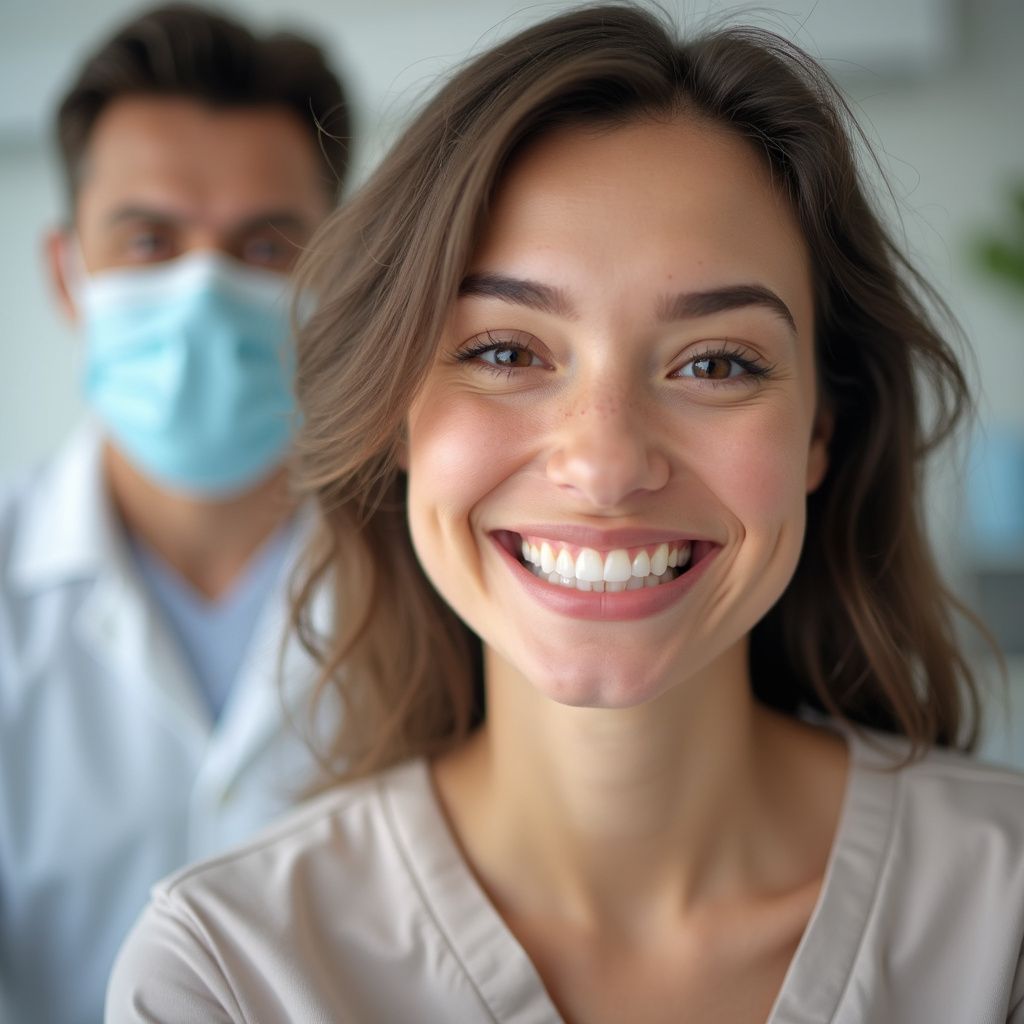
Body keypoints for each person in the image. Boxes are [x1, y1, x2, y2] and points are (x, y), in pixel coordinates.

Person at [107, 5, 1024, 1023]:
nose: (604, 462)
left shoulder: (1003, 924)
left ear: (820, 429)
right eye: (505, 352)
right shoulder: (230, 972)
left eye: (715, 363)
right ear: (398, 415)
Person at [0, 6, 350, 1022]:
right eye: (149, 240)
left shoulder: (449, 576)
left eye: (265, 245)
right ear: (67, 273)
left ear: (336, 275)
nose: (202, 290)